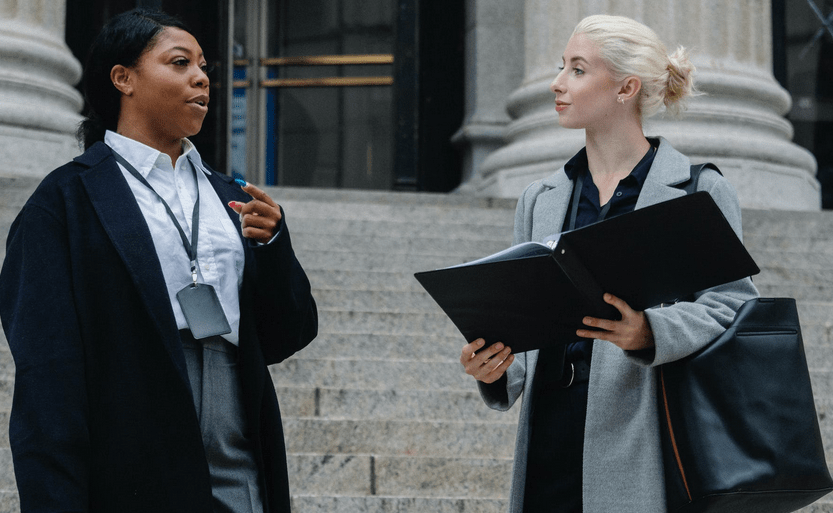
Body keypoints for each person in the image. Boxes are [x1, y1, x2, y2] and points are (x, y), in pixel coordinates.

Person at [0, 8, 317, 513]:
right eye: (179, 62)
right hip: (129, 438)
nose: (201, 77)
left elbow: (287, 334)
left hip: (238, 437)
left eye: (204, 66)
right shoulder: (64, 201)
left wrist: (274, 246)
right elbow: (47, 378)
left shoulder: (232, 195)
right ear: (123, 78)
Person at [459, 14, 758, 513]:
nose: (556, 83)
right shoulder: (540, 199)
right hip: (549, 440)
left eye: (577, 70)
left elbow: (733, 306)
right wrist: (491, 368)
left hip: (645, 443)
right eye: (561, 67)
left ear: (626, 88)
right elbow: (528, 333)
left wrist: (649, 332)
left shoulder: (696, 189)